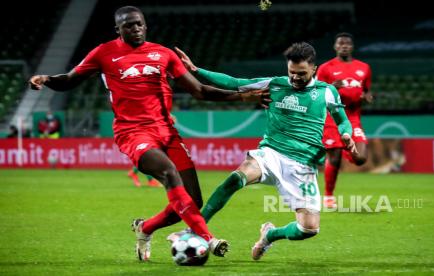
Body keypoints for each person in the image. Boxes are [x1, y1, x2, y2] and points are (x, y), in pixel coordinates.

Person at [28, 6, 269, 261]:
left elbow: (199, 90)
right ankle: (209, 239)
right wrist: (46, 79)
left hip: (167, 132)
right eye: (129, 25)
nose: (136, 29)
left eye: (140, 24)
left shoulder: (163, 54)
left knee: (192, 202)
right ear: (118, 29)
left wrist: (245, 96)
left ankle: (145, 228)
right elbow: (69, 79)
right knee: (168, 173)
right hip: (133, 133)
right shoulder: (103, 53)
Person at [174, 42, 356, 260]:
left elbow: (343, 121)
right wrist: (196, 70)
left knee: (308, 229)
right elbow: (235, 83)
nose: (295, 78)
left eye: (301, 74)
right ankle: (194, 230)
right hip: (271, 154)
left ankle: (269, 235)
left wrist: (346, 135)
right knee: (235, 179)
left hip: (303, 164)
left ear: (314, 69)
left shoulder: (327, 92)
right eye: (291, 72)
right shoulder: (275, 85)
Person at [316, 32, 373, 208]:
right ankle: (328, 196)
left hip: (354, 117)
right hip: (333, 117)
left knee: (361, 158)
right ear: (335, 46)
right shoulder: (326, 68)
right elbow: (316, 93)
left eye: (347, 43)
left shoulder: (364, 68)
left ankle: (349, 151)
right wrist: (331, 87)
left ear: (352, 46)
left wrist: (367, 97)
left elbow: (366, 91)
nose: (344, 46)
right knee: (334, 157)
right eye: (341, 43)